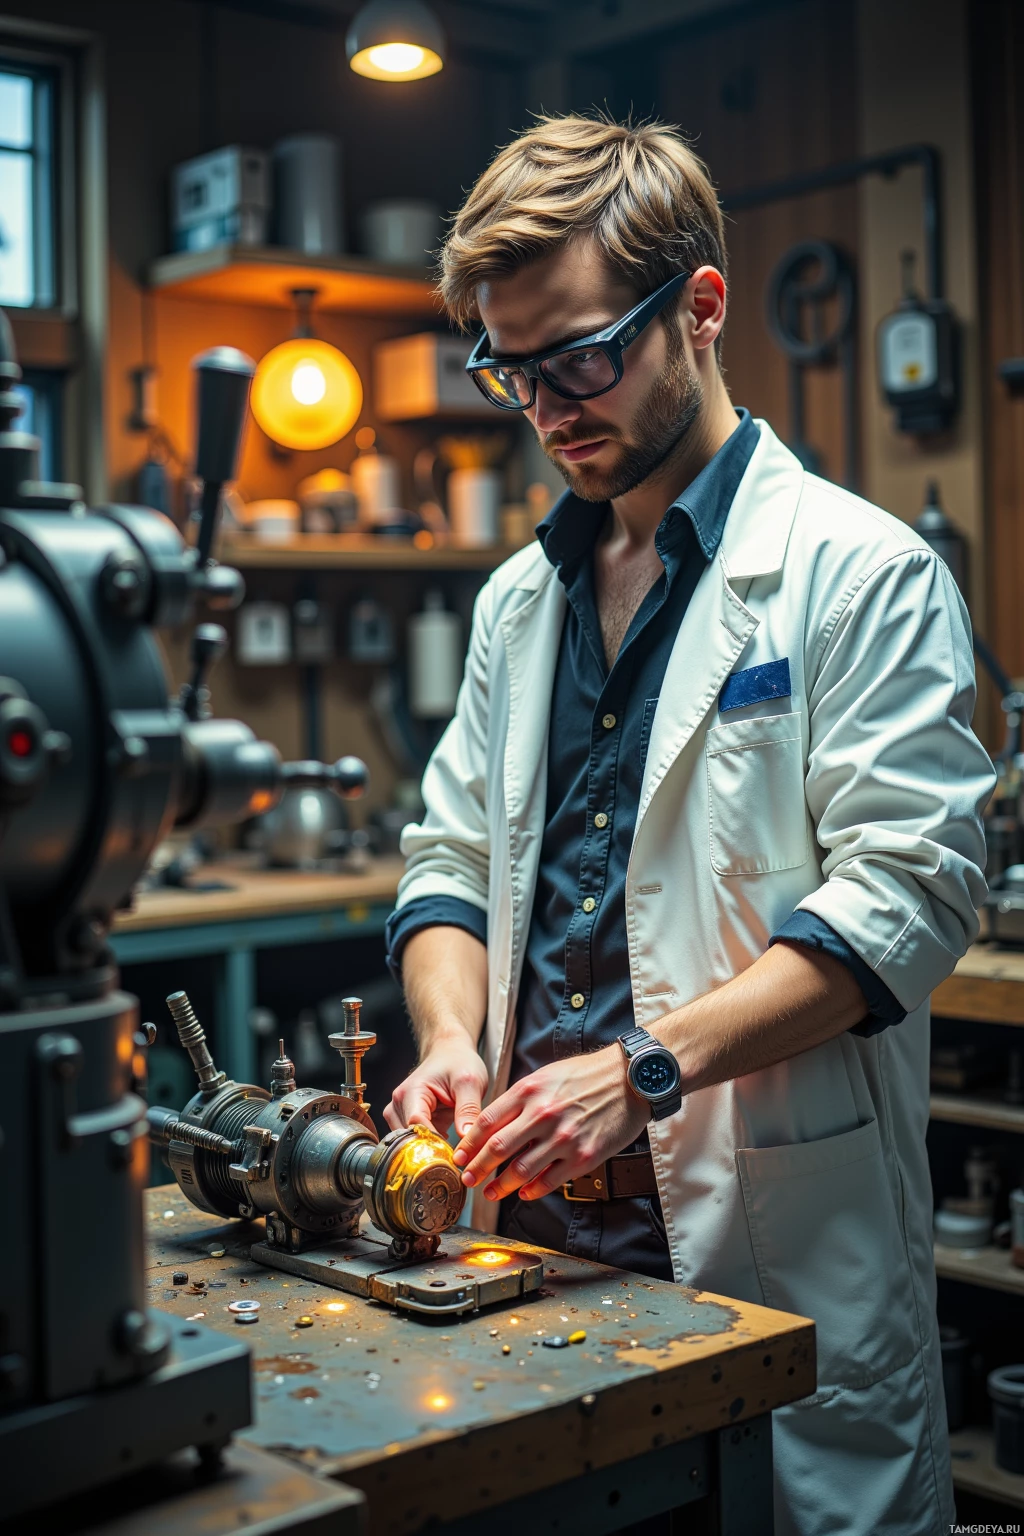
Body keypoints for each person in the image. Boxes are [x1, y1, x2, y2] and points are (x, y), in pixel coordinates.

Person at [382, 113, 993, 1536]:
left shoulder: (858, 574)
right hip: (528, 1244)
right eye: (510, 370)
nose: (547, 406)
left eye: (581, 356)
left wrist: (644, 1073)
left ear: (700, 308)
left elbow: (905, 900)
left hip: (758, 1239)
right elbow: (451, 859)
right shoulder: (517, 605)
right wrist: (453, 1040)